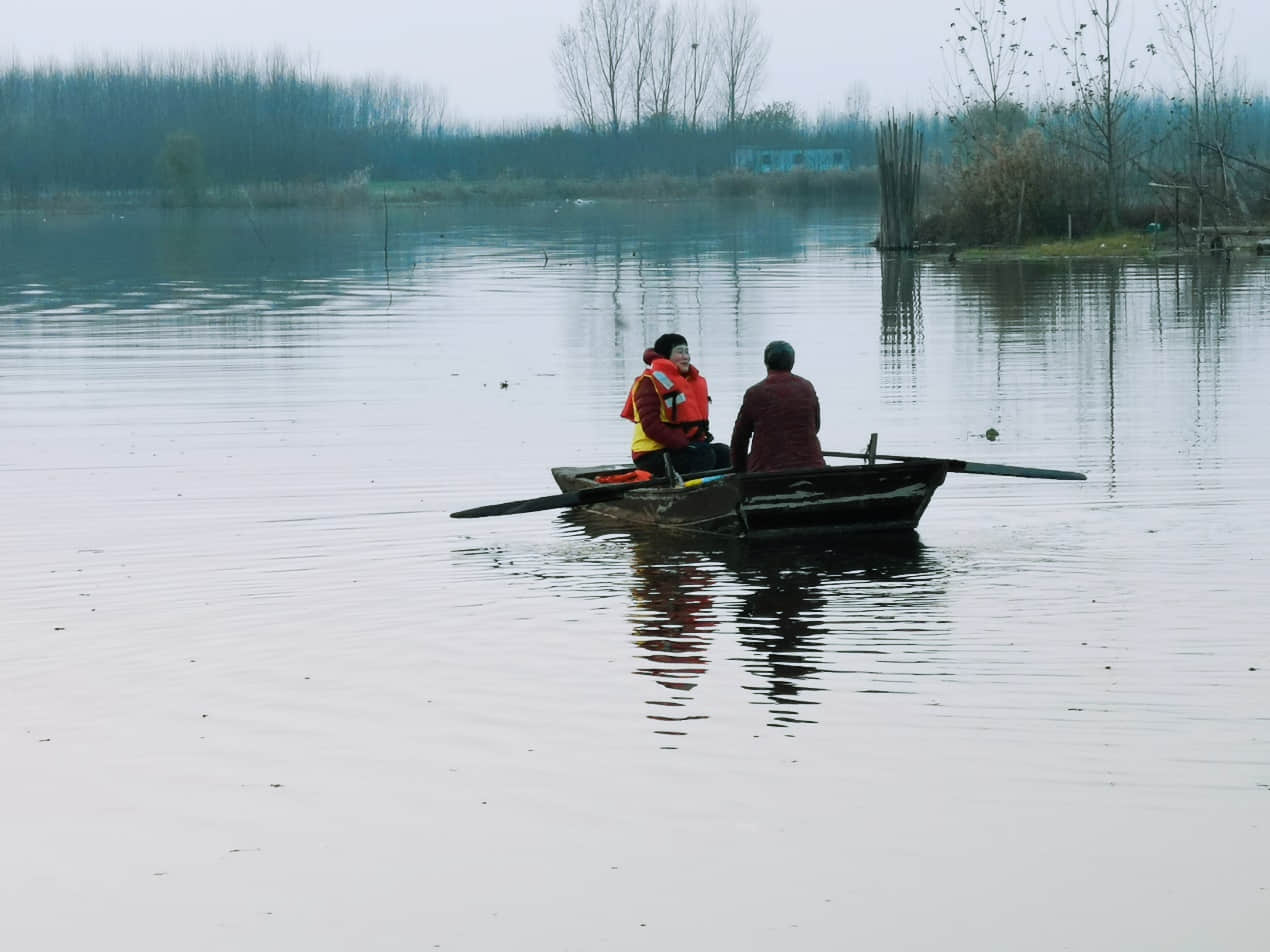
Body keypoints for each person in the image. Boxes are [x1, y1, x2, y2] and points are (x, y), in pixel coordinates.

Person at [621, 333, 731, 478]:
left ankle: (726, 490)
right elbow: (651, 427)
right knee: (704, 455)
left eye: (687, 351)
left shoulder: (688, 381)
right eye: (680, 352)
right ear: (666, 356)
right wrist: (685, 444)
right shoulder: (648, 383)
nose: (686, 356)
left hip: (680, 448)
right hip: (650, 455)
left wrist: (695, 442)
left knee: (725, 452)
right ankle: (692, 495)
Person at [729, 340, 826, 474]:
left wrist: (740, 470)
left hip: (766, 473)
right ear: (792, 362)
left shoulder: (755, 393)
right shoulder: (807, 387)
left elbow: (739, 439)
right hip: (814, 468)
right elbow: (816, 426)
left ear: (766, 362)